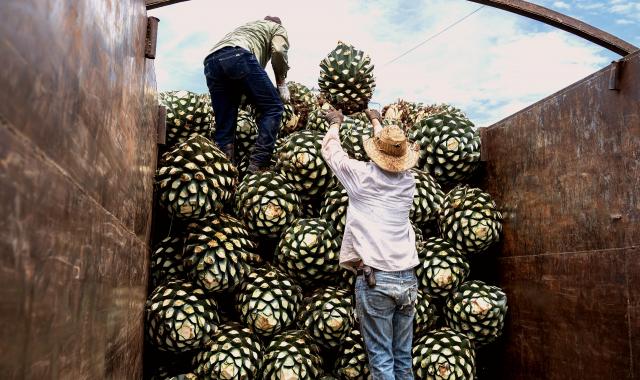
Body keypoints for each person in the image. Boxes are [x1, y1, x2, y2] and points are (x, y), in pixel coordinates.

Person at [321, 108, 420, 380]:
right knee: (402, 358)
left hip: (376, 279)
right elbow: (390, 157)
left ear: (375, 152)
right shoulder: (408, 182)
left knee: (381, 359)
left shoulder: (361, 177)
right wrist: (377, 121)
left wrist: (335, 125)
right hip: (408, 279)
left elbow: (332, 153)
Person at [203, 16, 290, 172]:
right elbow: (278, 50)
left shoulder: (248, 27)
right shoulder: (276, 28)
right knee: (274, 107)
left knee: (225, 125)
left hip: (210, 62)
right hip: (238, 55)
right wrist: (281, 83)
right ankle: (259, 162)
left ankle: (226, 172)